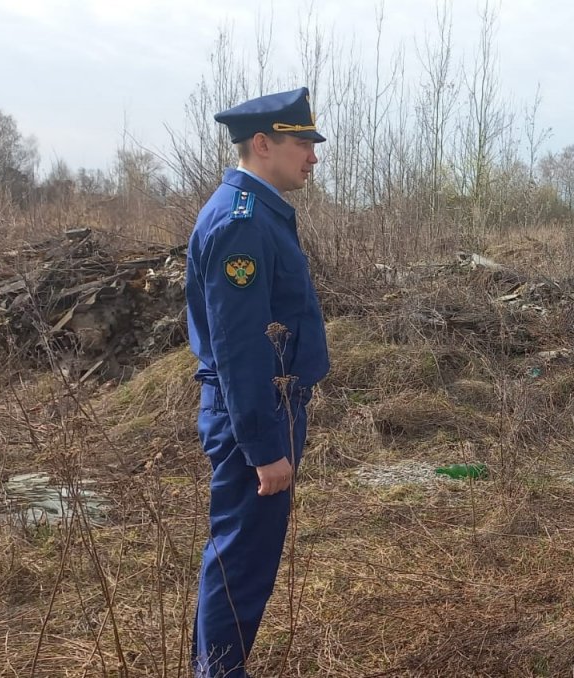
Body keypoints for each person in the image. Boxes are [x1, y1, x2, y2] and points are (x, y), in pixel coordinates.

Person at [185, 87, 330, 678]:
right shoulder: (241, 223)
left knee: (244, 560)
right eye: (303, 144)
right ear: (264, 144)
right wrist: (264, 447)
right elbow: (239, 347)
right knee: (239, 565)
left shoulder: (258, 213)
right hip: (259, 413)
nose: (313, 157)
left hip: (272, 407)